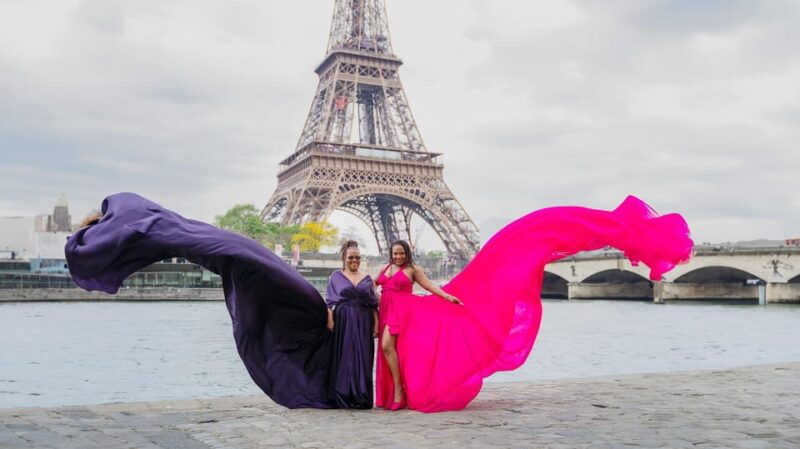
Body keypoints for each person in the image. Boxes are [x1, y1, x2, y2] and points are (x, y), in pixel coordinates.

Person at [65, 193, 692, 412]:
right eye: (359, 256)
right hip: (345, 324)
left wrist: (450, 298)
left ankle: (387, 398)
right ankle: (138, 226)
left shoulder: (390, 273)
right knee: (241, 253)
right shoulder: (344, 278)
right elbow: (330, 304)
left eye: (373, 255)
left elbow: (424, 287)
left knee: (244, 257)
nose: (366, 259)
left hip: (381, 324)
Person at [375, 240, 461, 410]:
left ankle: (399, 390)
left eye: (402, 253)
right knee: (393, 350)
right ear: (391, 254)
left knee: (386, 345)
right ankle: (399, 389)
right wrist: (375, 296)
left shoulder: (413, 269)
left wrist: (447, 297)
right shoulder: (385, 268)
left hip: (401, 312)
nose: (398, 256)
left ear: (407, 253)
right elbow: (373, 283)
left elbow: (429, 285)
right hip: (385, 310)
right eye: (395, 253)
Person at [325, 240, 379, 408]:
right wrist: (330, 320)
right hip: (343, 319)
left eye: (357, 257)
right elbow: (329, 302)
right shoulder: (335, 276)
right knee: (345, 355)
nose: (354, 260)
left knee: (363, 355)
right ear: (344, 258)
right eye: (351, 257)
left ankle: (361, 395)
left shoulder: (367, 278)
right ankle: (343, 394)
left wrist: (377, 324)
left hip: (364, 319)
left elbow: (373, 304)